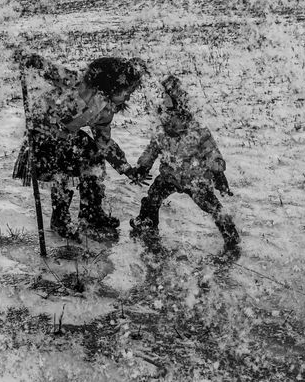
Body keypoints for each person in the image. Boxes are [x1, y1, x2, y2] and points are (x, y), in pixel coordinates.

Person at [14, 50, 147, 241]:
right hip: (42, 132)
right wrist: (33, 61)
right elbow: (52, 71)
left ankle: (90, 213)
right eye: (127, 91)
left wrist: (126, 168)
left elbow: (104, 142)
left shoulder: (106, 111)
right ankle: (60, 219)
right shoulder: (79, 84)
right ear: (114, 84)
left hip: (66, 135)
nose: (128, 96)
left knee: (93, 155)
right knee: (62, 170)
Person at [129, 75, 240, 255]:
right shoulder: (162, 129)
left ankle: (230, 233)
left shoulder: (196, 130)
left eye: (165, 95)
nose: (162, 99)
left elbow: (211, 152)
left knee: (211, 206)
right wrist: (143, 167)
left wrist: (219, 174)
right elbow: (152, 149)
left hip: (195, 179)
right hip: (169, 176)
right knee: (153, 197)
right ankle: (147, 224)